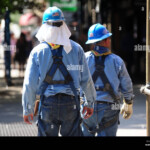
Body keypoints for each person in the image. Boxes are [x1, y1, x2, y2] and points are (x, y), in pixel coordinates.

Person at [22, 6, 96, 136]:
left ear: (44, 26)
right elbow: (86, 80)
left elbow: (30, 83)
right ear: (63, 24)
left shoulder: (37, 52)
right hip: (71, 103)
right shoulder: (77, 49)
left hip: (47, 104)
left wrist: (28, 108)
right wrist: (89, 103)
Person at [81, 23, 134, 136]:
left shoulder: (83, 59)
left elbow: (75, 82)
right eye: (108, 38)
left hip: (87, 106)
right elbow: (127, 84)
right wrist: (128, 102)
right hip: (109, 107)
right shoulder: (117, 61)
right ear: (106, 41)